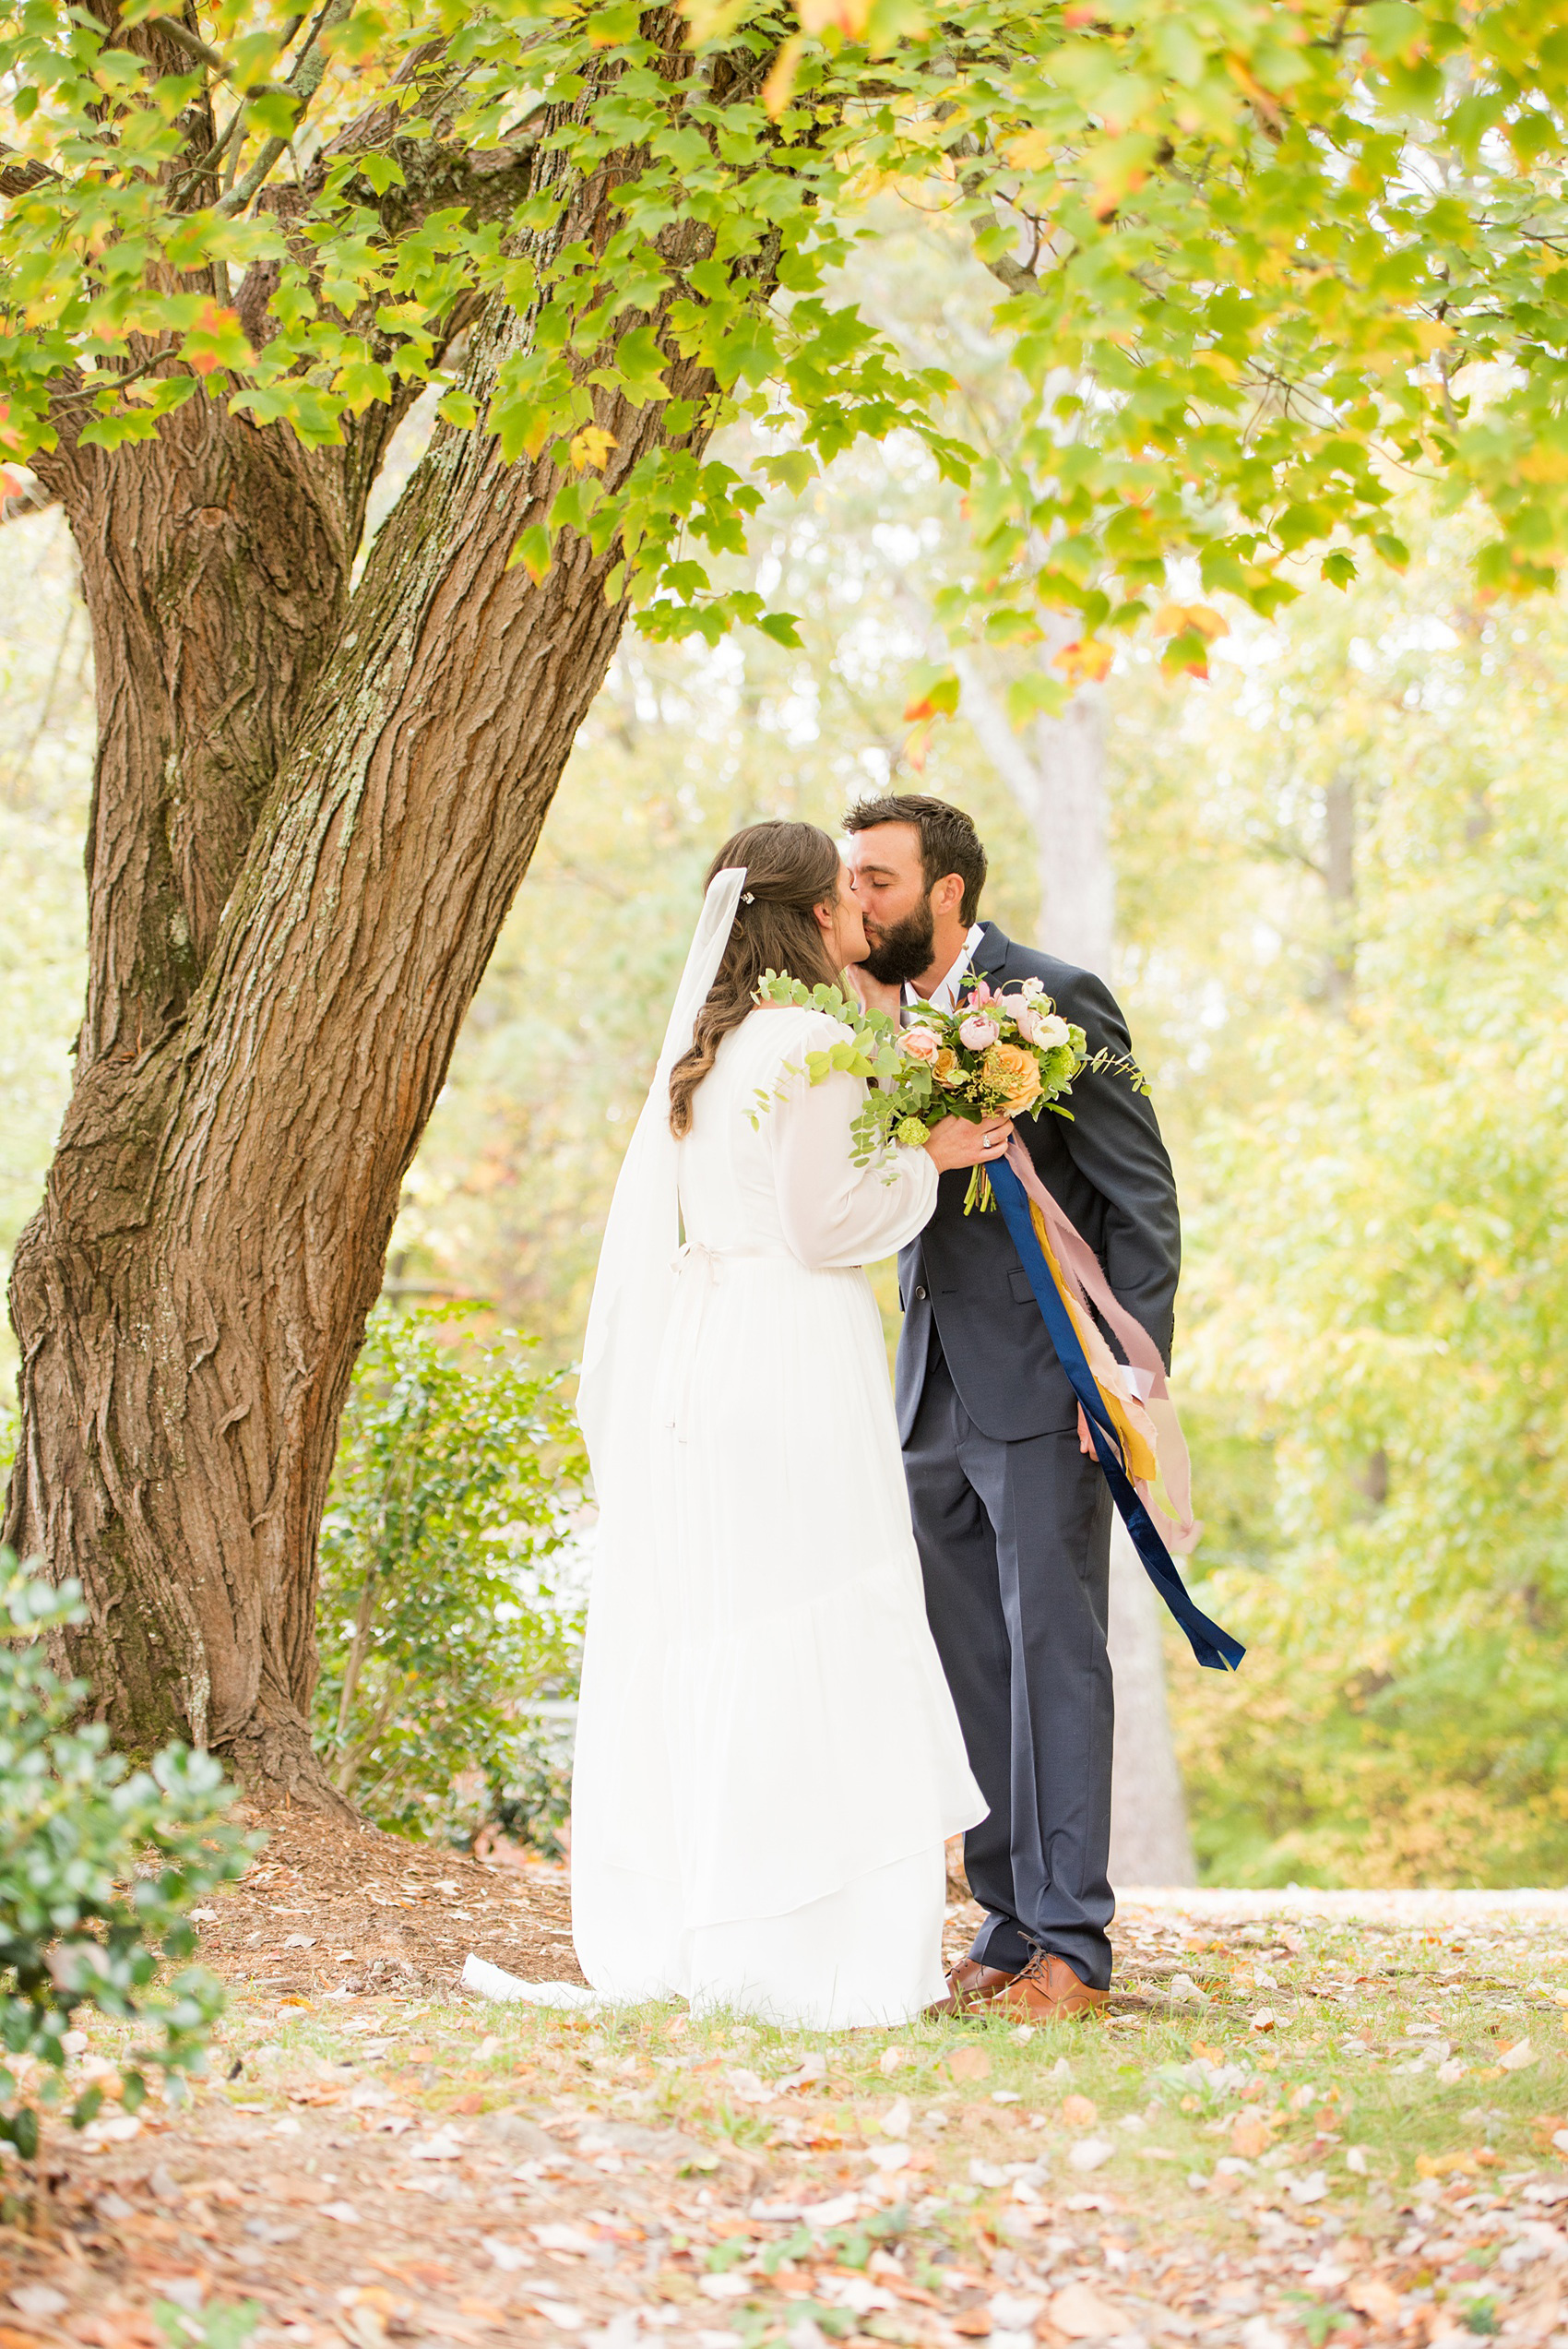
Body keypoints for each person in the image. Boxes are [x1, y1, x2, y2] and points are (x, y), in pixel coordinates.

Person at [571, 820, 1004, 2027]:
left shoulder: (705, 1056)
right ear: (818, 917)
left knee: (735, 1625)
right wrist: (931, 1155)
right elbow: (824, 1223)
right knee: (824, 1612)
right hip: (790, 1353)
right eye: (850, 896)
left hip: (703, 1363)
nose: (867, 912)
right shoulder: (813, 1042)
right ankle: (818, 1944)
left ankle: (730, 1921)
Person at [844, 794, 1181, 2022]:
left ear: (947, 890)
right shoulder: (862, 1020)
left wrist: (1131, 1374)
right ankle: (1006, 1917)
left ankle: (1075, 1950)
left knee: (1053, 1651)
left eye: (876, 879)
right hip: (925, 1375)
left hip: (1048, 1380)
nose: (855, 901)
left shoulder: (1061, 996)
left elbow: (1139, 1191)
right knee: (969, 1659)